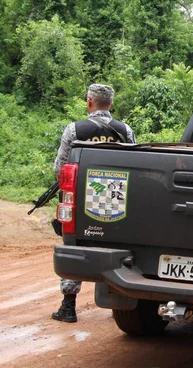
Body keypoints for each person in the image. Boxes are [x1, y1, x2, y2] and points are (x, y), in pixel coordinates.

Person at [51, 83, 136, 323]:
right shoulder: (125, 130)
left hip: (81, 198)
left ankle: (68, 306)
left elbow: (60, 168)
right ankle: (121, 301)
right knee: (118, 245)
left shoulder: (75, 130)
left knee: (74, 243)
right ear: (112, 104)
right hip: (117, 198)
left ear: (89, 102)